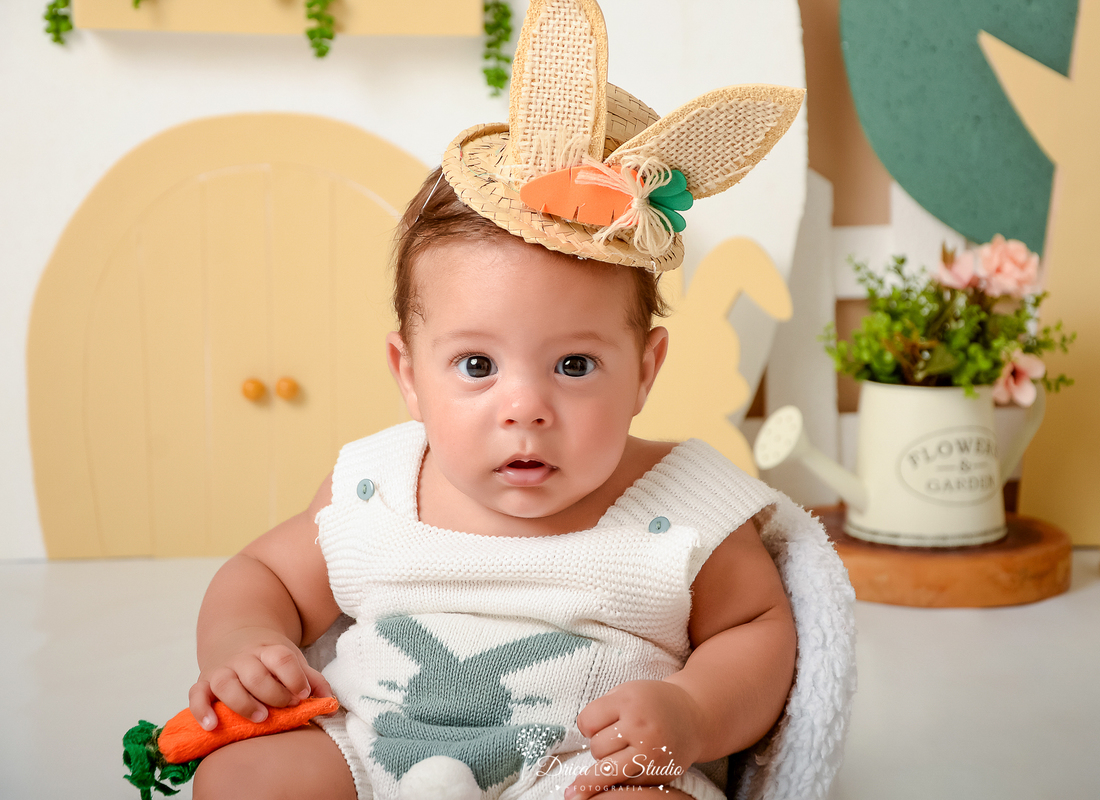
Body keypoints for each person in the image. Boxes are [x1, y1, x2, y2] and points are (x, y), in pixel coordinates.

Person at [188, 3, 816, 799]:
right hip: (374, 753)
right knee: (243, 777)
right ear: (408, 373)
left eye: (576, 364)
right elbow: (264, 576)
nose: (525, 407)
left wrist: (689, 714)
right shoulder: (377, 485)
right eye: (477, 364)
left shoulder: (685, 503)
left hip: (586, 773)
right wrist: (244, 640)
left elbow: (758, 634)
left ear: (646, 371)